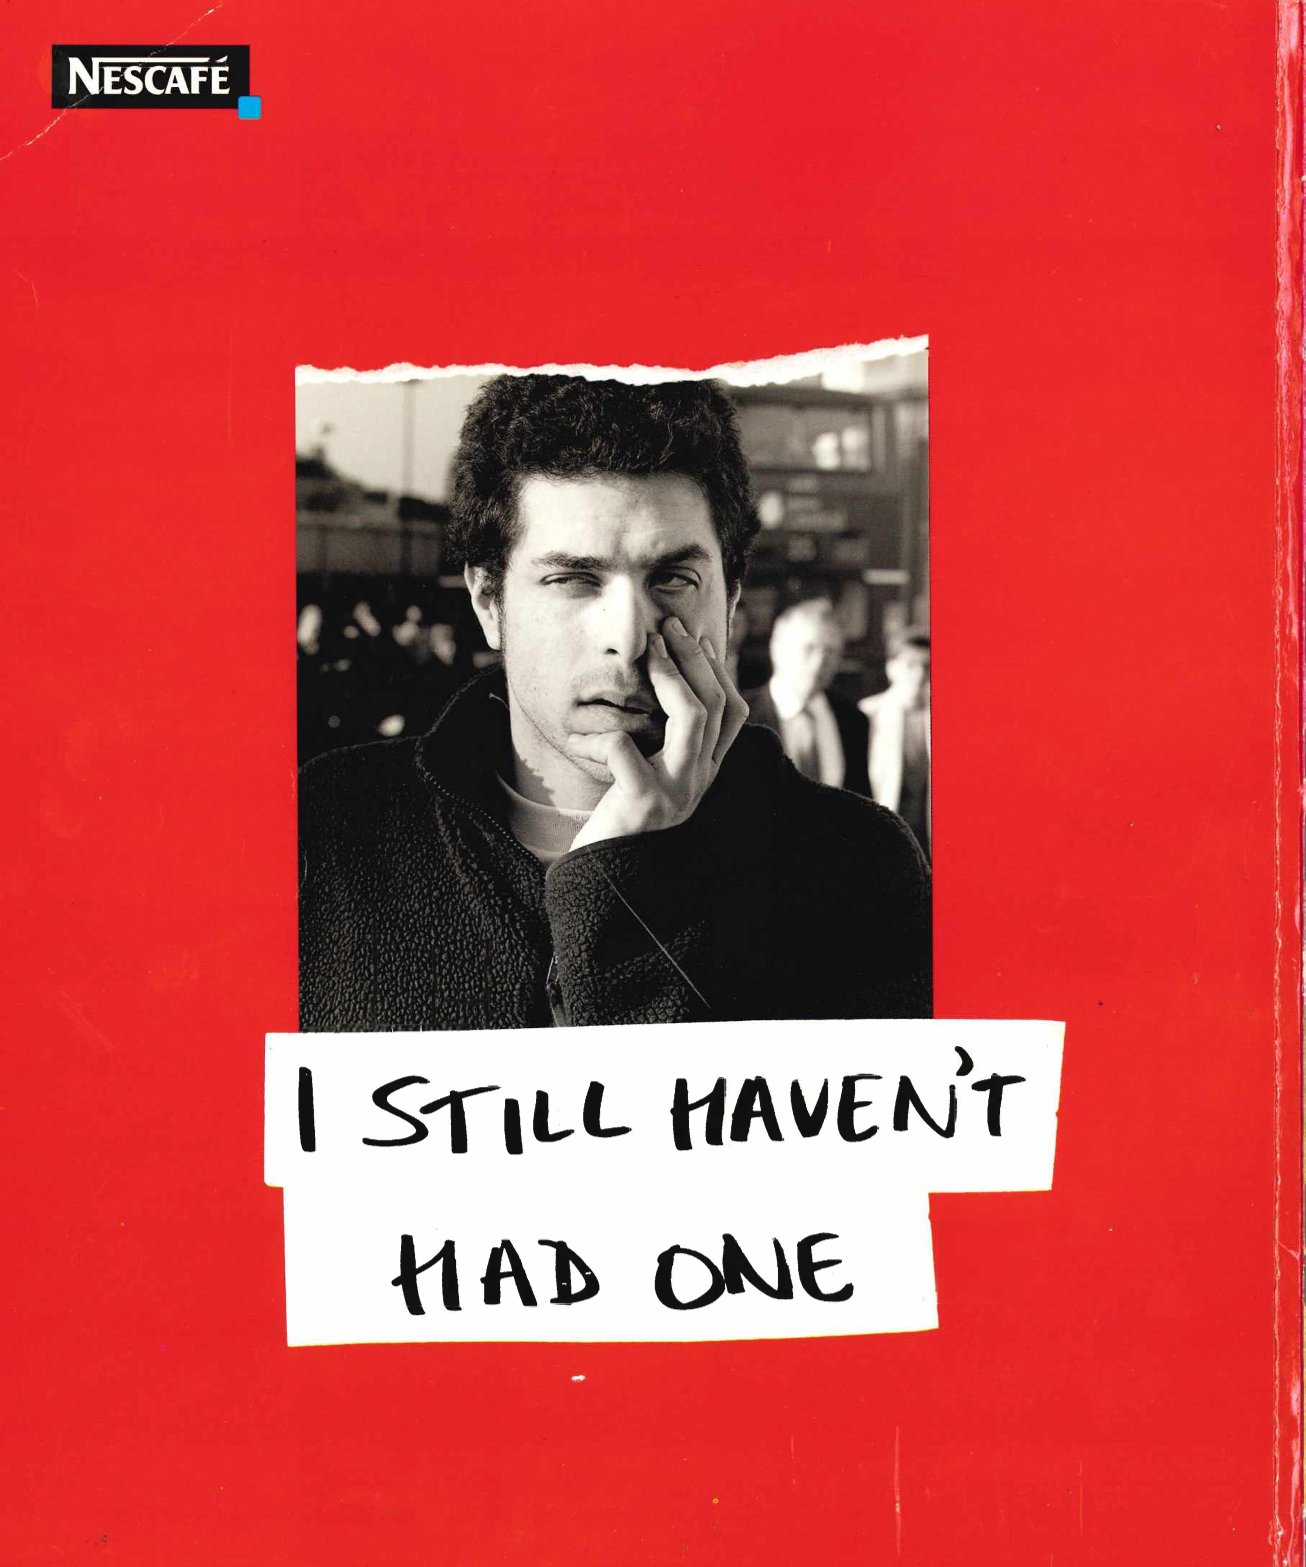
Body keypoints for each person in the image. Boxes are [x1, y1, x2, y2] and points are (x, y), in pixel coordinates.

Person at [298, 374, 931, 1029]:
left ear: (732, 597)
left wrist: (624, 888)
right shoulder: (327, 829)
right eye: (573, 579)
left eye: (674, 579)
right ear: (489, 601)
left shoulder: (857, 866)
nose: (628, 639)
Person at [744, 598, 872, 797]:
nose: (820, 662)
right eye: (809, 648)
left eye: (830, 652)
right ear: (777, 648)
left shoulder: (853, 720)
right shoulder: (741, 716)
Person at [859, 630, 931, 860]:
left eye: (927, 666)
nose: (919, 675)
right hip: (883, 834)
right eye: (910, 665)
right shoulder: (868, 714)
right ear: (891, 668)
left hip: (930, 837)